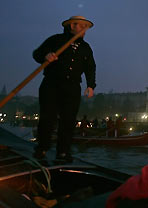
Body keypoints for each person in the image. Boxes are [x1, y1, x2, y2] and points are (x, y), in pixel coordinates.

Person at [33, 16, 96, 162]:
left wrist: (90, 86)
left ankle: (63, 152)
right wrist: (46, 55)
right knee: (47, 118)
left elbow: (90, 68)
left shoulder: (86, 48)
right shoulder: (55, 40)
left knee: (68, 121)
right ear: (72, 26)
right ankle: (41, 149)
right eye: (82, 26)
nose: (85, 30)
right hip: (51, 85)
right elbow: (37, 54)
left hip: (72, 87)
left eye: (86, 27)